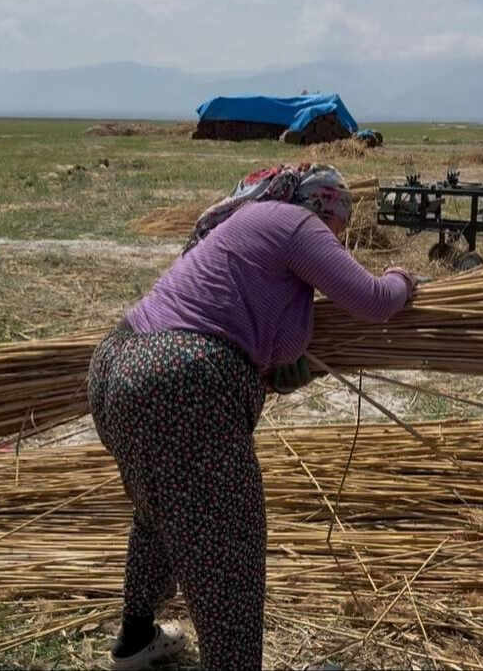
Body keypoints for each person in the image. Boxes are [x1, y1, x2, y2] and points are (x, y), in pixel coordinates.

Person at [87, 163, 417, 670]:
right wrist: (403, 279)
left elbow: (238, 322)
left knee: (158, 511)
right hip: (178, 379)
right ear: (324, 208)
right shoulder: (296, 222)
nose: (337, 241)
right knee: (228, 549)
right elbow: (373, 301)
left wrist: (271, 371)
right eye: (339, 229)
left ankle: (135, 639)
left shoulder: (250, 223)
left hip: (121, 365)